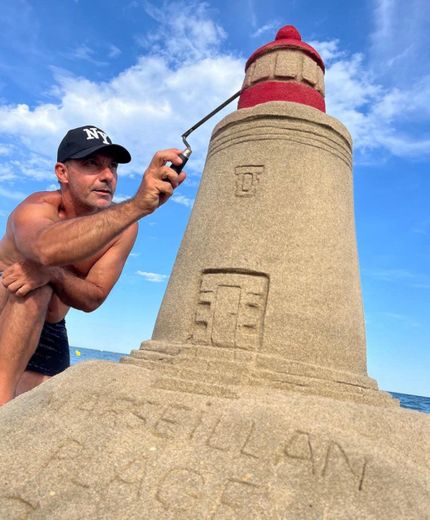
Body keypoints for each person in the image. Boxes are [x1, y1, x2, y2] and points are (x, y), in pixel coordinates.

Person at [0, 125, 186, 405]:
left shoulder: (123, 228)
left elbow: (93, 297)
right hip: (7, 309)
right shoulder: (37, 206)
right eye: (91, 164)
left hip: (50, 329)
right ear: (62, 173)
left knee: (53, 407)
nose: (108, 176)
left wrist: (53, 275)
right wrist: (137, 205)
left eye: (112, 167)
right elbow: (44, 249)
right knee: (32, 281)